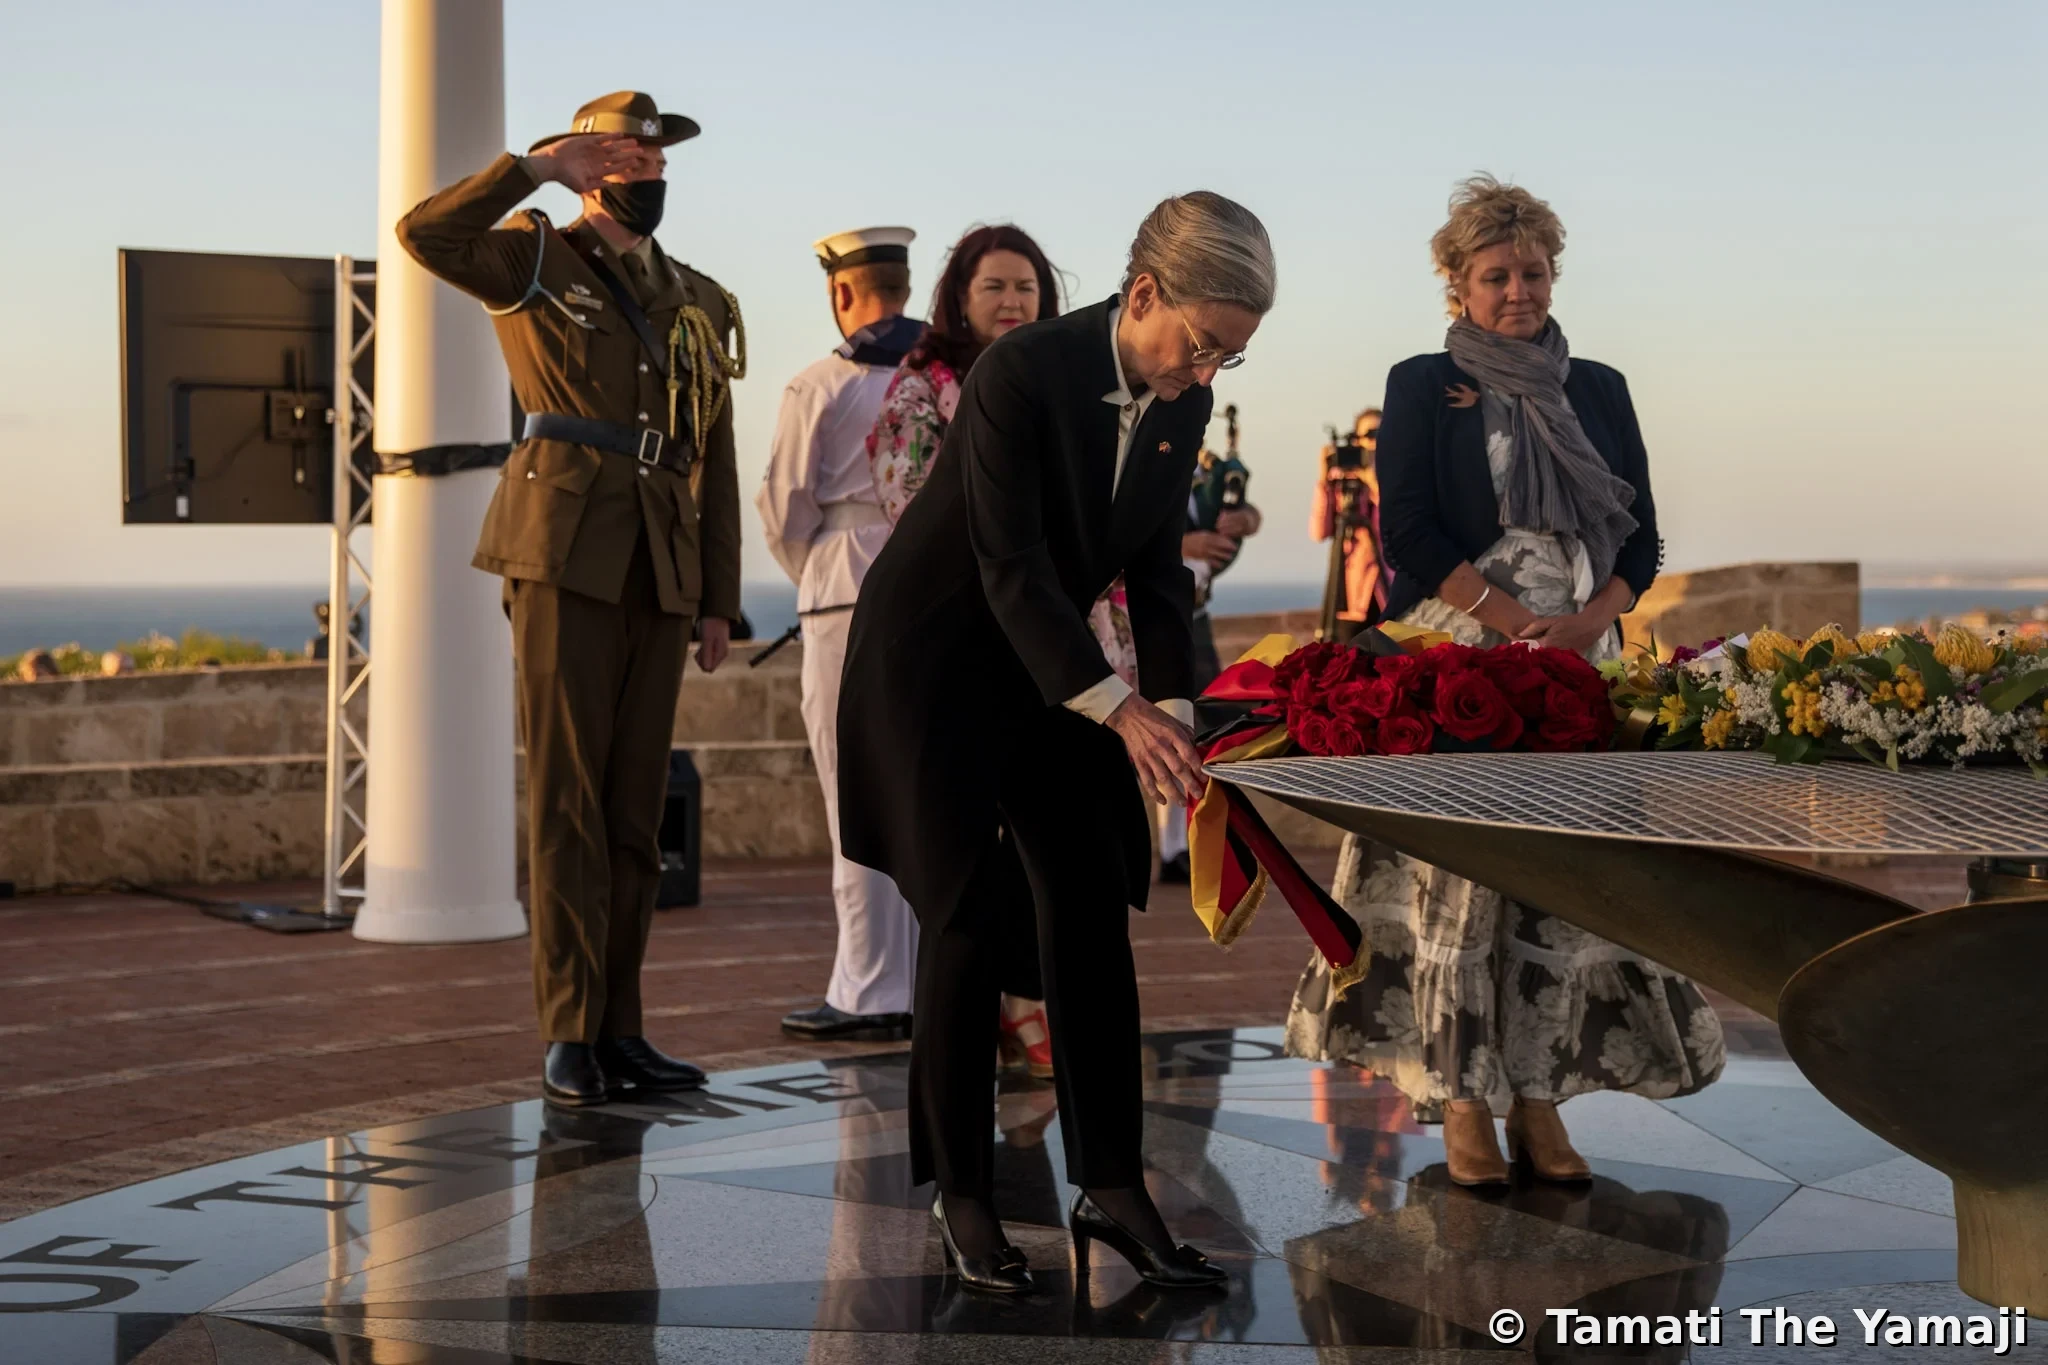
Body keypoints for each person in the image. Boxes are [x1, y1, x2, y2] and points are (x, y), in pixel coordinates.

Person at [839, 191, 1275, 1294]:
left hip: (1047, 673)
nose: (1206, 372)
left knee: (1088, 896)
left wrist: (1172, 721)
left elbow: (1154, 574)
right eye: (1201, 343)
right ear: (1141, 296)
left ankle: (1114, 1188)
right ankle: (965, 1197)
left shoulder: (1175, 406)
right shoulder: (1021, 372)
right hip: (935, 664)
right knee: (965, 921)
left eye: (1230, 355)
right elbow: (1009, 566)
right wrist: (1116, 706)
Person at [1283, 175, 1723, 1186]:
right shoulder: (1417, 383)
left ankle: (1541, 1103)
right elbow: (1406, 538)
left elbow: (1642, 538)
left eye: (1530, 273)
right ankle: (1463, 1103)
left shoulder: (1598, 387)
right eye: (1493, 276)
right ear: (1454, 284)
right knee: (1463, 889)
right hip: (1464, 651)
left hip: (1581, 657)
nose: (1516, 292)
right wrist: (1513, 623)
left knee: (1561, 891)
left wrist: (1583, 628)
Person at [396, 91, 744, 1108]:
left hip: (659, 565)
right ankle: (568, 1031)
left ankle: (622, 1027)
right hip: (562, 551)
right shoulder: (532, 256)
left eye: (657, 153)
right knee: (567, 802)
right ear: (590, 160)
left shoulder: (699, 298)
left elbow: (710, 454)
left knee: (635, 811)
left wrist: (717, 594)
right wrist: (533, 169)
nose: (646, 166)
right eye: (626, 151)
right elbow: (423, 233)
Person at [865, 223, 1074, 1078]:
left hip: (1055, 643)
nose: (1013, 302)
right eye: (995, 287)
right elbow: (913, 509)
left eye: (1026, 287)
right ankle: (990, 1005)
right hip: (961, 644)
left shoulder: (1068, 392)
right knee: (968, 849)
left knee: (1044, 837)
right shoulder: (921, 394)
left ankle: (1026, 991)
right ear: (959, 297)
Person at [758, 227, 926, 1043]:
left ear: (841, 291)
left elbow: (785, 508)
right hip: (931, 599)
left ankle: (867, 987)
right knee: (923, 794)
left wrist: (817, 570)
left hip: (842, 591)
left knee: (851, 792)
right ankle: (924, 977)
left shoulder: (817, 385)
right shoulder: (946, 379)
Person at [1311, 406, 1386, 629]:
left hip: (1390, 585)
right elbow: (1319, 533)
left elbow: (1398, 522)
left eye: (1382, 434)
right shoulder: (1343, 480)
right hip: (1352, 590)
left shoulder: (1400, 477)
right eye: (1370, 435)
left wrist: (1373, 482)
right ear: (1356, 439)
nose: (1375, 442)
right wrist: (1324, 481)